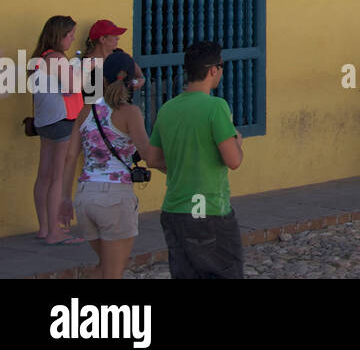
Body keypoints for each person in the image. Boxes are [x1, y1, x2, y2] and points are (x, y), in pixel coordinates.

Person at [149, 40, 244, 279]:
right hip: (209, 209)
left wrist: (183, 167)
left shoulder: (167, 108)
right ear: (213, 69)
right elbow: (233, 160)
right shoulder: (216, 107)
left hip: (174, 208)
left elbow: (153, 158)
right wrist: (237, 142)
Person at [58, 52, 158, 278]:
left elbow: (70, 157)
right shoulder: (130, 113)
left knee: (104, 267)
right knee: (113, 273)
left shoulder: (86, 110)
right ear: (129, 79)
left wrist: (65, 198)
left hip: (85, 196)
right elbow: (147, 154)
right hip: (115, 198)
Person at [28, 16, 84, 246]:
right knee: (57, 177)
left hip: (44, 121)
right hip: (62, 120)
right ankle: (55, 233)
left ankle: (43, 228)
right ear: (59, 36)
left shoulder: (38, 59)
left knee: (44, 175)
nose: (72, 39)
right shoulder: (58, 59)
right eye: (69, 35)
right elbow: (72, 87)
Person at [81, 20, 144, 97]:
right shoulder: (87, 63)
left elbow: (137, 71)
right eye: (114, 35)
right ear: (102, 39)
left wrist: (141, 79)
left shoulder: (119, 54)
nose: (118, 38)